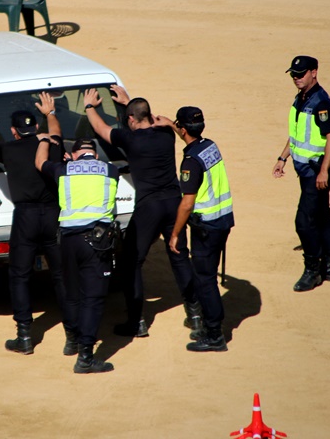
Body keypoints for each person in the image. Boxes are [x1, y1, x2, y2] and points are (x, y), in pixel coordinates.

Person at [83, 85, 200, 338]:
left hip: (149, 208)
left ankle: (136, 322)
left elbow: (101, 129)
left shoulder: (129, 139)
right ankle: (196, 315)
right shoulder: (167, 134)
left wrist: (89, 106)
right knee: (179, 255)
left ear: (131, 120)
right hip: (174, 204)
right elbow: (154, 120)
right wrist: (129, 104)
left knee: (131, 262)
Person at [0, 92, 77, 356]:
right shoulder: (52, 144)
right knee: (61, 275)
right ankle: (73, 336)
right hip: (54, 215)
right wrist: (50, 113)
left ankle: (24, 337)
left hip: (25, 218)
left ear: (14, 131)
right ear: (35, 128)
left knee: (20, 275)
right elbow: (56, 131)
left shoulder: (9, 148)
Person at [36, 137, 120, 374]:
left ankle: (72, 339)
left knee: (72, 293)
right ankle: (85, 357)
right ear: (94, 154)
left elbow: (40, 161)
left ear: (73, 154)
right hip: (97, 242)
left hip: (68, 242)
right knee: (93, 298)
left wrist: (44, 139)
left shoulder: (63, 170)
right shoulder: (110, 170)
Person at [272, 55, 330, 292]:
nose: (296, 78)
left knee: (304, 221)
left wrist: (324, 171)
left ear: (314, 72)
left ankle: (313, 270)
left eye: (300, 74)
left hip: (317, 169)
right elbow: (297, 134)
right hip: (306, 168)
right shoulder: (301, 98)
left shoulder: (321, 102)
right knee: (321, 214)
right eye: (293, 74)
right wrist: (283, 157)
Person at [168, 107, 234, 352]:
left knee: (205, 280)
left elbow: (187, 204)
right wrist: (168, 123)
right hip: (222, 220)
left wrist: (175, 233)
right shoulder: (209, 146)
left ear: (183, 129)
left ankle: (215, 334)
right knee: (207, 277)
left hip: (206, 226)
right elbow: (185, 132)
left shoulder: (190, 162)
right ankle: (210, 325)